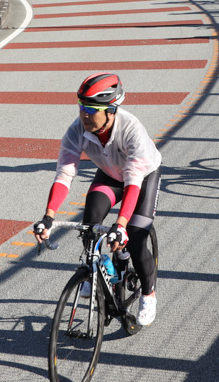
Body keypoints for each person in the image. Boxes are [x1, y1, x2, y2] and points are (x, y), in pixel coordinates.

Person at [34, 73, 162, 327]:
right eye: (82, 107)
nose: (84, 115)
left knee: (135, 238)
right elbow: (64, 174)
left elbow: (133, 182)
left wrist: (122, 225)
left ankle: (149, 295)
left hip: (142, 178)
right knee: (90, 224)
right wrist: (48, 216)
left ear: (111, 111)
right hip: (110, 174)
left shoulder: (132, 129)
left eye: (92, 109)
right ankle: (100, 269)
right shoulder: (76, 130)